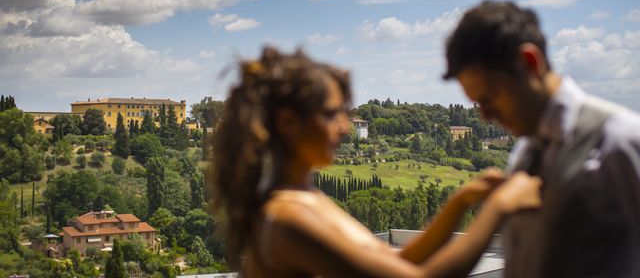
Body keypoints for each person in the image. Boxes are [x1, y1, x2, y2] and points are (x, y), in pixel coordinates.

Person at [210, 46, 541, 277]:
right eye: (330, 114)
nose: (344, 127)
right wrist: (499, 208)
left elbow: (395, 260)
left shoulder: (304, 199)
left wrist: (461, 201)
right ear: (287, 123)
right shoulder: (288, 217)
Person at [443, 0, 640, 278]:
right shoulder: (524, 152)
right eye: (477, 104)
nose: (485, 116)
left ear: (530, 63)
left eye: (489, 97)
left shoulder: (622, 140)